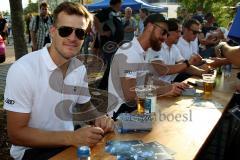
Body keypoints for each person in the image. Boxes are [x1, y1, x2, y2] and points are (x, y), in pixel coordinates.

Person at [4, 2, 114, 160]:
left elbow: (85, 107)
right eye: (65, 30)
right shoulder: (23, 69)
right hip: (31, 152)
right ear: (53, 32)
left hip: (68, 144)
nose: (72, 38)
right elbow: (16, 134)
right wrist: (72, 137)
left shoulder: (78, 68)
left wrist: (99, 118)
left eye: (80, 33)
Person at [108, 14, 189, 120]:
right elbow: (130, 95)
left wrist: (172, 85)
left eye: (167, 34)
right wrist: (166, 90)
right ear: (150, 27)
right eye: (163, 32)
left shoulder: (142, 52)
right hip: (120, 114)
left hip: (136, 109)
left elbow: (147, 79)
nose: (165, 37)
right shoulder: (129, 53)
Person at [147, 19, 204, 83]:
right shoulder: (156, 46)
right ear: (168, 32)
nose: (179, 35)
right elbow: (162, 69)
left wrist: (202, 73)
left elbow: (185, 66)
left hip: (169, 85)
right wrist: (188, 63)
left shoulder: (174, 48)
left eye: (180, 32)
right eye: (177, 32)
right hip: (157, 88)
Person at [94, 0, 124, 90]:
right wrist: (101, 32)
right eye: (120, 3)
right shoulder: (109, 11)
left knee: (113, 64)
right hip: (108, 44)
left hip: (114, 44)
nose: (121, 5)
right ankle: (103, 87)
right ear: (117, 3)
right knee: (112, 65)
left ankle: (106, 85)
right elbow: (96, 17)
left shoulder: (115, 13)